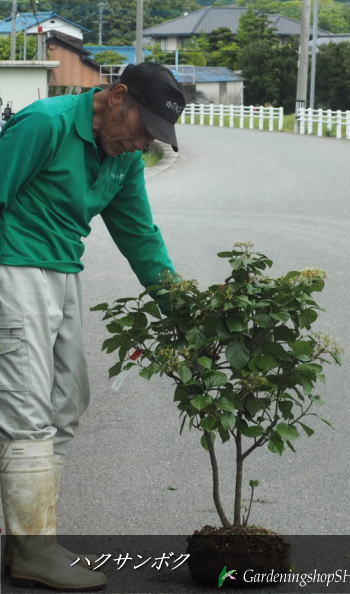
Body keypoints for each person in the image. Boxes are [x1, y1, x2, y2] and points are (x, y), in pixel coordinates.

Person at [0, 62, 186, 590]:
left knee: (66, 403)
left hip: (62, 273)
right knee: (26, 412)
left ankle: (30, 543)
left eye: (155, 137)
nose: (143, 143)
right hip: (12, 269)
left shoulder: (124, 158)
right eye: (143, 128)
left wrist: (186, 310)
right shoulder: (46, 124)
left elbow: (139, 234)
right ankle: (35, 552)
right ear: (117, 96)